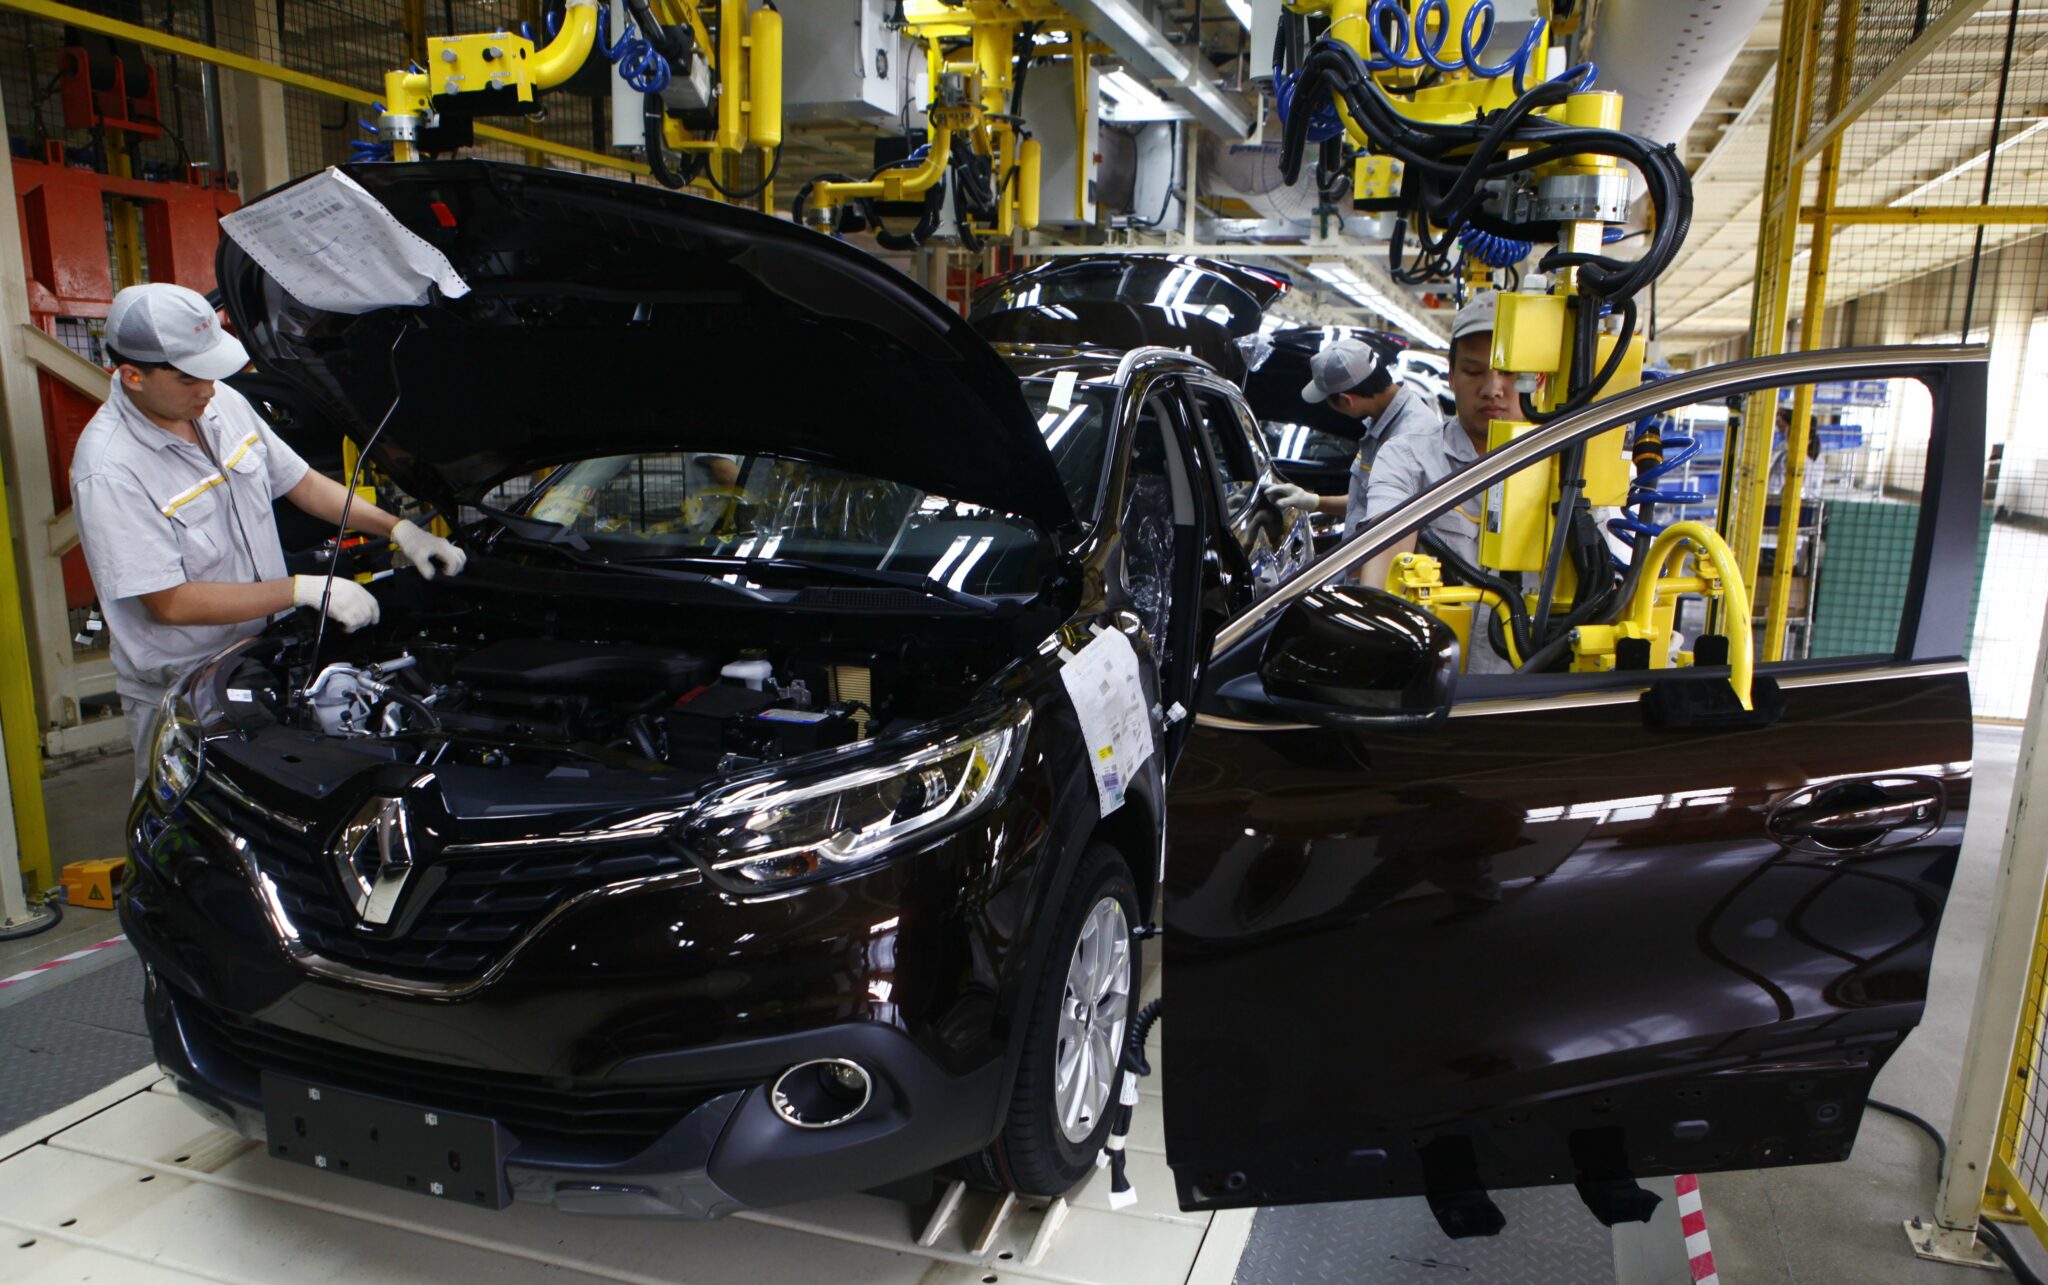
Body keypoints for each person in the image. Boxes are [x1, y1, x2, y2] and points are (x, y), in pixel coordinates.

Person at [70, 282, 467, 782]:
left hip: (268, 657)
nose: (208, 389)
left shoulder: (220, 403)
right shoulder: (109, 471)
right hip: (186, 689)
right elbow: (169, 603)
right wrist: (302, 589)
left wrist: (400, 529)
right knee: (193, 810)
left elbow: (301, 483)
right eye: (190, 378)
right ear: (132, 376)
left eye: (211, 372)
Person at [1358, 291, 1518, 592]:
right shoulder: (1407, 459)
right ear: (1452, 376)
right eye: (1473, 372)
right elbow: (1384, 568)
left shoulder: (1568, 465)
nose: (1492, 389)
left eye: (1509, 372)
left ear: (1538, 377)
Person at [1262, 335, 1437, 527]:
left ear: (1346, 400)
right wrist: (1314, 502)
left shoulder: (1410, 439)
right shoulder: (1380, 421)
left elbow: (1396, 523)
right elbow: (1365, 503)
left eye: (1328, 401)